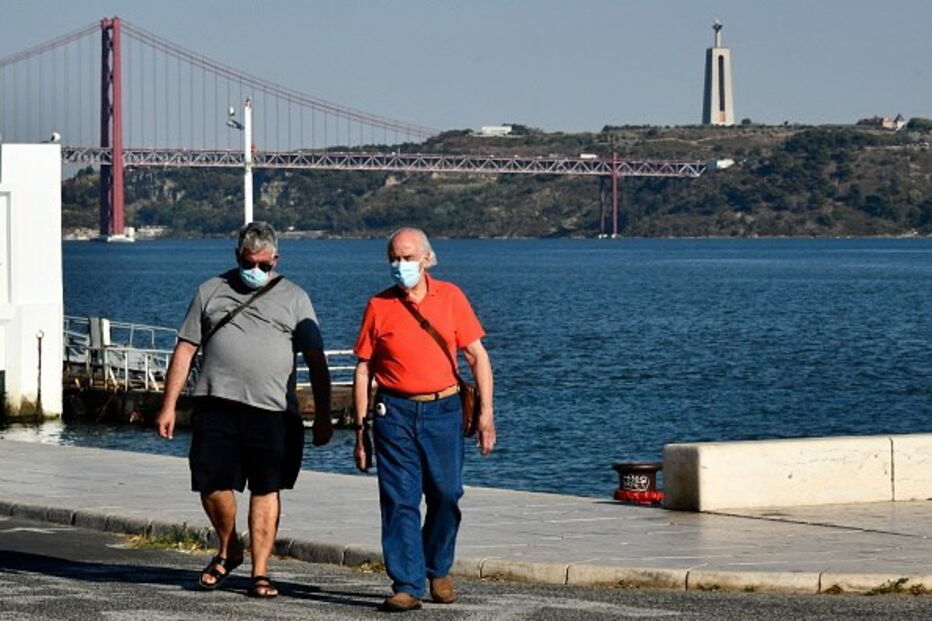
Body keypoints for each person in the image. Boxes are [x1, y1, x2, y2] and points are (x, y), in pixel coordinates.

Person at [156, 221, 332, 599]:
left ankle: (261, 572)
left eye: (264, 265)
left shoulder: (295, 298)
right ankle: (229, 546)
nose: (257, 271)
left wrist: (321, 415)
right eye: (250, 263)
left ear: (276, 260)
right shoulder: (209, 291)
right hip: (215, 404)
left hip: (272, 412)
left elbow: (316, 360)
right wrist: (168, 405)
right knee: (210, 483)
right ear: (238, 257)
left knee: (267, 488)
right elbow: (185, 349)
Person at [352, 227, 495, 612]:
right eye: (395, 259)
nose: (401, 266)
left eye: (409, 257)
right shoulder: (378, 306)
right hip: (394, 412)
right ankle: (407, 584)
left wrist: (486, 415)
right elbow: (364, 369)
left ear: (428, 259)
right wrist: (360, 430)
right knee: (399, 500)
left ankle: (438, 568)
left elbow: (477, 356)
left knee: (447, 495)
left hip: (444, 410)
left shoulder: (451, 297)